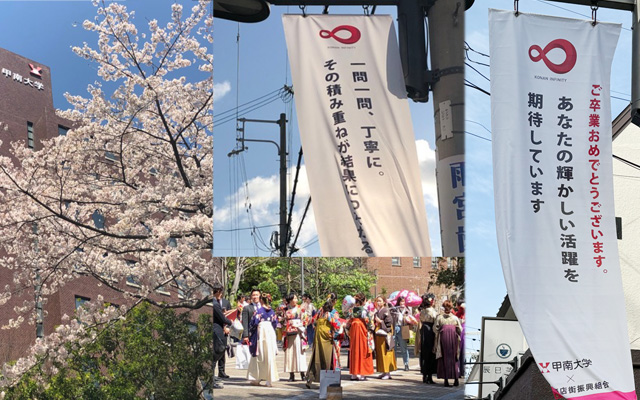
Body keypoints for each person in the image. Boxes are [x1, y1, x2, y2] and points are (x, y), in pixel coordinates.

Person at [305, 300, 342, 389]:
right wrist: (334, 334)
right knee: (328, 361)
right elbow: (338, 325)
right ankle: (329, 381)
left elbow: (313, 323)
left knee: (316, 360)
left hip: (318, 340)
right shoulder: (330, 315)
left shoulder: (319, 315)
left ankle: (310, 379)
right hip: (327, 341)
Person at [247, 293, 280, 387]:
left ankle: (256, 378)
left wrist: (251, 332)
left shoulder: (259, 311)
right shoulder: (272, 312)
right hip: (269, 332)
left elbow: (253, 323)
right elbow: (275, 323)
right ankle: (269, 380)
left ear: (261, 300)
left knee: (259, 355)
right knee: (269, 355)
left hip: (261, 332)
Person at [434, 300, 462, 387]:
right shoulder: (455, 318)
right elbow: (460, 330)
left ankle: (446, 380)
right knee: (454, 357)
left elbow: (435, 328)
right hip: (453, 339)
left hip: (443, 339)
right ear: (451, 308)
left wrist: (440, 331)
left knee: (444, 357)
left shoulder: (440, 318)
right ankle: (456, 379)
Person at [347, 293, 374, 381]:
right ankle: (362, 374)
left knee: (354, 350)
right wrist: (371, 329)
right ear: (363, 301)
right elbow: (368, 322)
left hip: (354, 330)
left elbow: (348, 322)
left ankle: (354, 374)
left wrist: (348, 332)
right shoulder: (364, 310)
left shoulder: (351, 310)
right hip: (362, 330)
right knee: (363, 350)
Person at [283, 293, 307, 381]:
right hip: (289, 334)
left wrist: (297, 324)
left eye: (296, 298)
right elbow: (281, 320)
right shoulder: (285, 310)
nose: (296, 300)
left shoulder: (301, 309)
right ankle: (291, 374)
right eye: (294, 298)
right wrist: (285, 322)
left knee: (299, 352)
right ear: (290, 300)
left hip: (298, 333)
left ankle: (302, 373)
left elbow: (305, 320)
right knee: (290, 353)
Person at [213, 285, 232, 390]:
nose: (221, 295)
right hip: (217, 331)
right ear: (217, 291)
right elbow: (221, 318)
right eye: (220, 292)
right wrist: (230, 322)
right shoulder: (215, 304)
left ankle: (213, 378)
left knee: (216, 355)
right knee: (216, 354)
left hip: (217, 330)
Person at [373, 295, 396, 379]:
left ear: (384, 302)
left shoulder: (386, 311)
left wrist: (380, 322)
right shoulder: (377, 311)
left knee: (386, 353)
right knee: (380, 353)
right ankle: (383, 371)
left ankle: (387, 372)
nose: (378, 302)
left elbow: (389, 324)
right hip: (379, 335)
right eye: (377, 301)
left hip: (385, 335)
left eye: (380, 301)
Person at [418, 294, 438, 384]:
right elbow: (436, 321)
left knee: (424, 352)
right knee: (431, 353)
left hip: (424, 330)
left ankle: (424, 375)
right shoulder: (433, 311)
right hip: (431, 331)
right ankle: (429, 376)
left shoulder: (422, 311)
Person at [392, 296, 412, 371]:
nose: (402, 303)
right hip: (395, 327)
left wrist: (408, 319)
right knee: (394, 347)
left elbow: (411, 320)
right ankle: (394, 364)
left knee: (404, 347)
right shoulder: (395, 309)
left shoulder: (407, 310)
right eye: (401, 301)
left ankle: (406, 364)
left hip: (403, 328)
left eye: (403, 301)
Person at [216, 293, 232, 378]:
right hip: (216, 329)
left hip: (225, 330)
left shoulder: (226, 302)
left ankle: (221, 371)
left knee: (222, 350)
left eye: (220, 292)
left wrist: (228, 327)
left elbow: (231, 317)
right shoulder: (213, 302)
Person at [455, 299, 466, 378]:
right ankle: (463, 371)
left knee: (459, 352)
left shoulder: (459, 312)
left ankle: (459, 371)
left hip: (460, 331)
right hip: (464, 331)